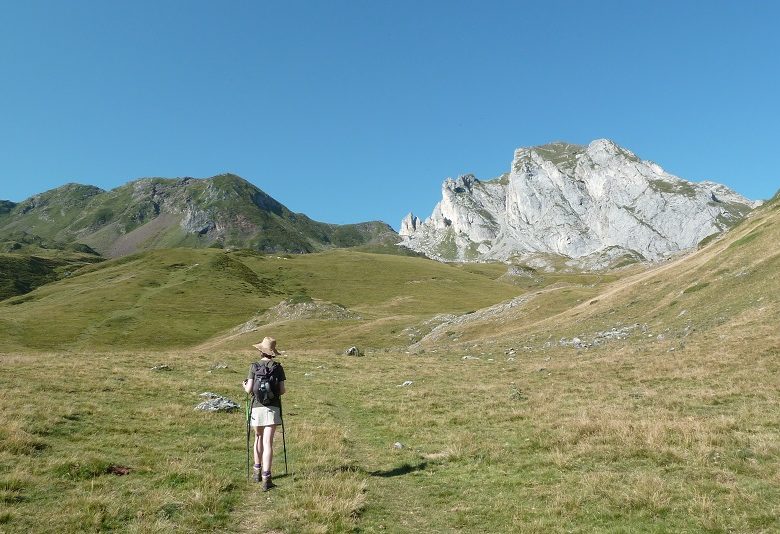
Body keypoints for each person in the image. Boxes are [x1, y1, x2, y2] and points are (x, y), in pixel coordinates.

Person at [243, 336, 286, 491]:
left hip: (256, 407)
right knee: (268, 442)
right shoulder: (278, 367)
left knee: (258, 438)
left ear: (261, 350)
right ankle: (266, 478)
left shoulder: (254, 366)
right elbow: (282, 391)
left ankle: (256, 471)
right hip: (272, 407)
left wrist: (244, 385)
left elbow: (249, 390)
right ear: (273, 352)